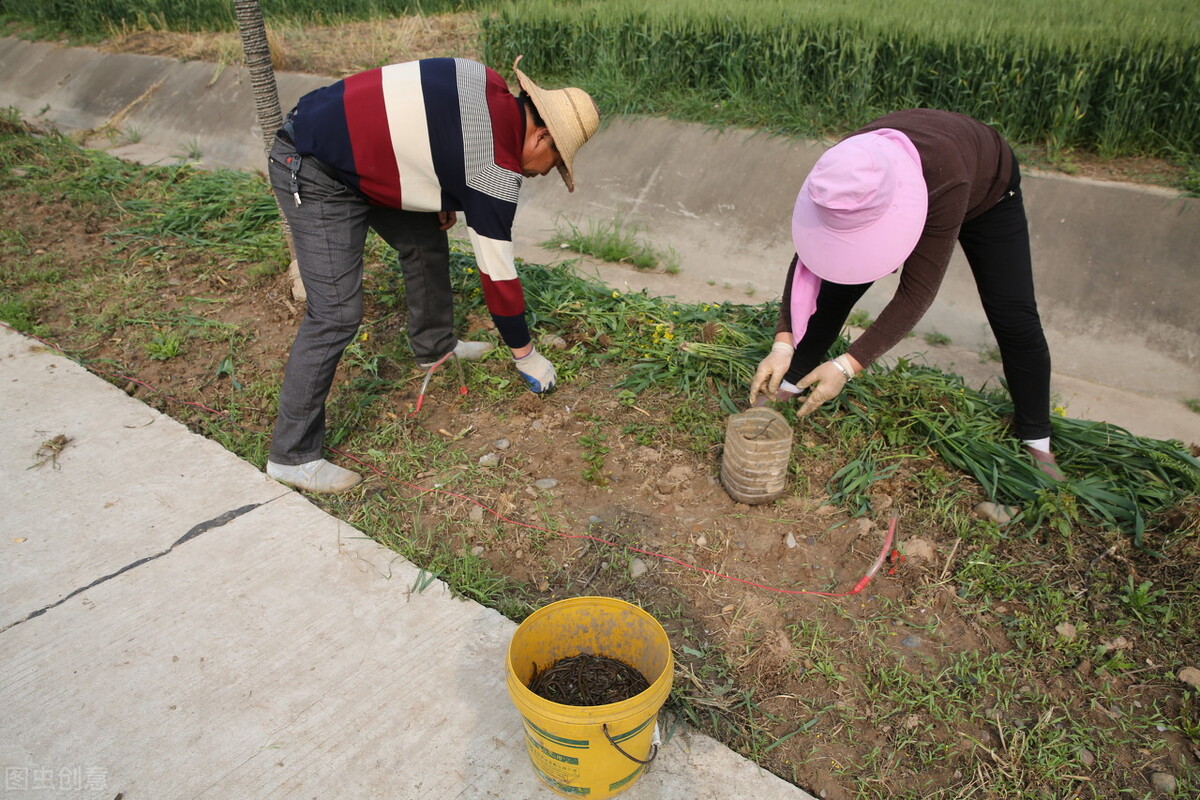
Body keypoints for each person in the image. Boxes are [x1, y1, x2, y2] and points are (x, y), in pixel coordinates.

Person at [265, 56, 599, 493]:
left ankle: (434, 347)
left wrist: (438, 191)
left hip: (347, 143)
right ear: (541, 135)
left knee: (425, 240)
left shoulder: (482, 77)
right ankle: (291, 456)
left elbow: (422, 125)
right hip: (312, 164)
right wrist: (525, 354)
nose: (541, 173)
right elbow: (498, 275)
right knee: (336, 314)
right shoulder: (495, 170)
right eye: (553, 162)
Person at [749, 109, 1062, 479]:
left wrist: (847, 366)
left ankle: (1037, 439)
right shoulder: (844, 168)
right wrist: (783, 343)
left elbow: (917, 292)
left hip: (983, 189)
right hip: (900, 187)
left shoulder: (947, 178)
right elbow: (811, 258)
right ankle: (791, 381)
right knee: (838, 282)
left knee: (1013, 315)